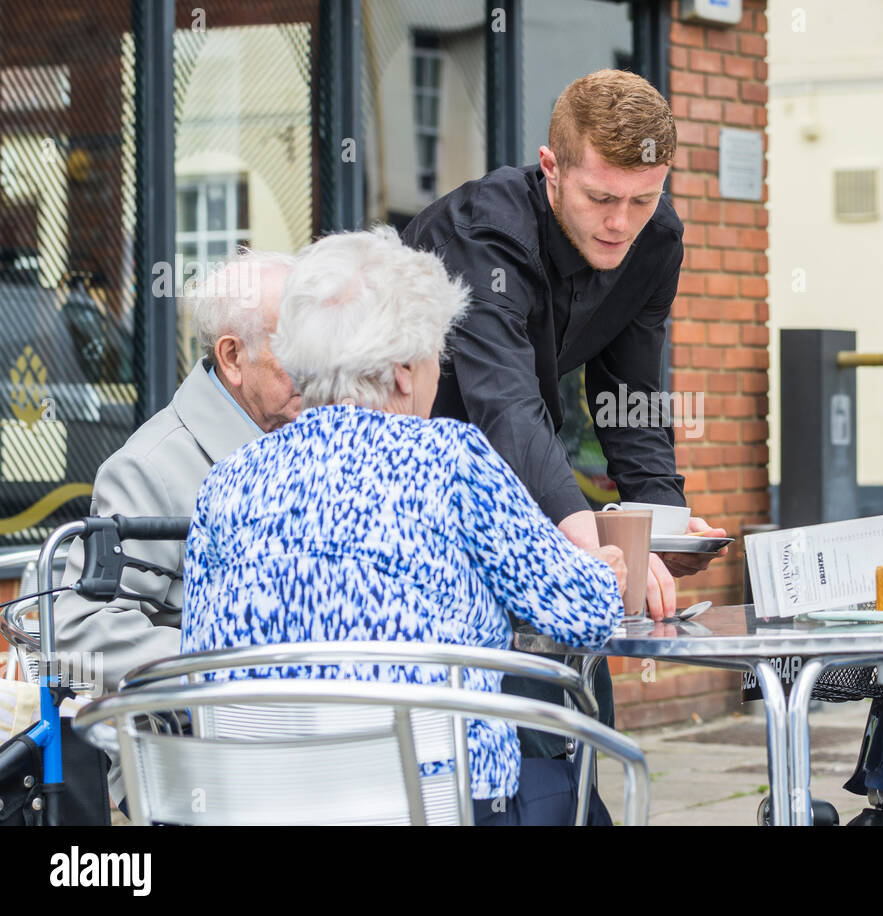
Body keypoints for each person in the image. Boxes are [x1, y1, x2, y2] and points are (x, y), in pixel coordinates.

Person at [181, 227, 628, 826]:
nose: (438, 377)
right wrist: (599, 571)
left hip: (264, 807)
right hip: (432, 807)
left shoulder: (225, 481)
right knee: (572, 789)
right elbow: (585, 615)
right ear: (400, 375)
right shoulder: (450, 459)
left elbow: (200, 659)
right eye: (434, 359)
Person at [400, 68, 725, 758]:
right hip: (420, 495)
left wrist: (661, 523)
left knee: (581, 731)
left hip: (527, 486)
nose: (620, 223)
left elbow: (630, 394)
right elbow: (507, 404)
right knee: (484, 740)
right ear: (551, 169)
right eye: (600, 197)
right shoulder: (481, 236)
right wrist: (587, 540)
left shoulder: (656, 240)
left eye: (643, 199)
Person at [54, 251, 299, 696]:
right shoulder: (150, 468)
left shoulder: (302, 433)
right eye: (297, 348)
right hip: (191, 747)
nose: (317, 367)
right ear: (232, 357)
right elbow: (79, 637)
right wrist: (240, 671)